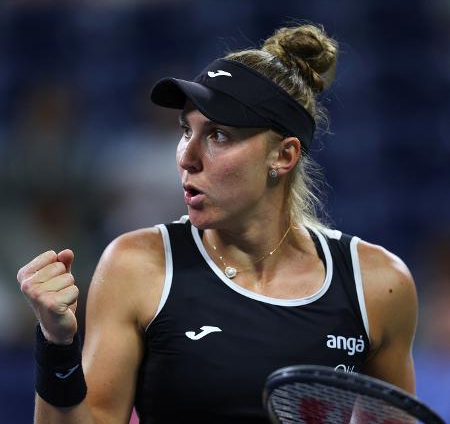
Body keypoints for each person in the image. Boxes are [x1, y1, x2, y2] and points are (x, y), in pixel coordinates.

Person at [17, 23, 418, 424]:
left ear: (283, 156)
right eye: (185, 130)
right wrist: (57, 346)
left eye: (219, 135)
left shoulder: (378, 285)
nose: (186, 157)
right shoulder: (136, 266)